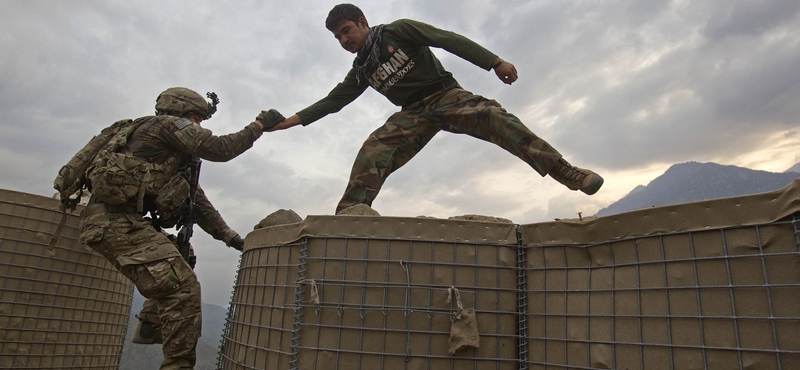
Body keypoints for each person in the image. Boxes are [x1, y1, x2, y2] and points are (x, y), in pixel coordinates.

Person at [268, 3, 604, 214]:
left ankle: (566, 171)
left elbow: (446, 38)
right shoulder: (362, 70)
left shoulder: (398, 31)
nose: (344, 40)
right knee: (373, 149)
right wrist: (284, 124)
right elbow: (332, 101)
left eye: (346, 31)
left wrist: (495, 62)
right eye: (338, 38)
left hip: (445, 95)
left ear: (362, 22)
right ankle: (350, 217)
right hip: (412, 113)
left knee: (493, 116)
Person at [77, 87, 282, 370]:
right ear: (182, 111)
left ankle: (150, 325)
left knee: (181, 257)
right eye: (196, 118)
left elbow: (195, 200)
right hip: (114, 222)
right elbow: (220, 148)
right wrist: (259, 126)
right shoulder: (165, 125)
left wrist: (230, 237)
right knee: (184, 290)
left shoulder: (160, 148)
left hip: (120, 221)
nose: (196, 125)